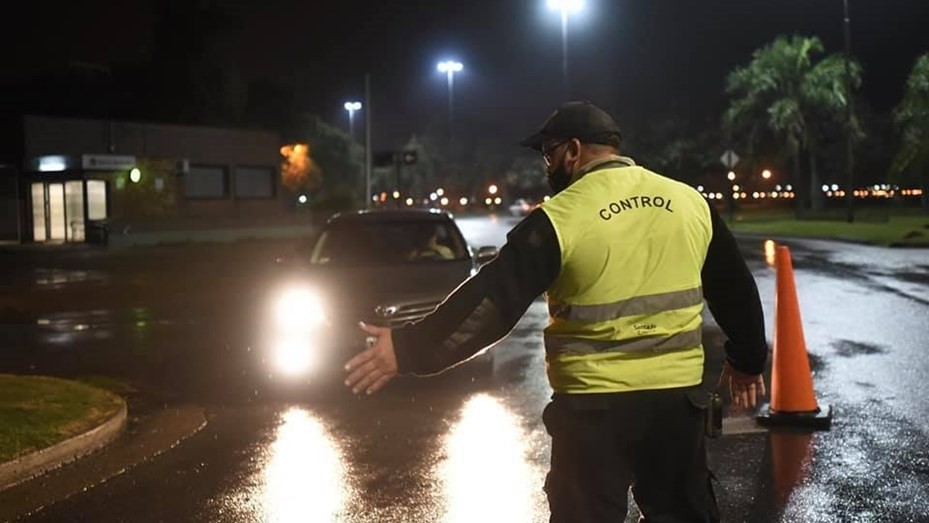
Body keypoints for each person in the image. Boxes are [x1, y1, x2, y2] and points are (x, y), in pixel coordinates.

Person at [344, 101, 769, 522]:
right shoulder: (689, 203)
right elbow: (734, 288)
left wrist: (408, 347)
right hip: (677, 406)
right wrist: (747, 362)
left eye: (548, 155)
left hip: (594, 413)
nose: (547, 168)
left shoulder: (559, 218)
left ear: (574, 151)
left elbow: (491, 302)